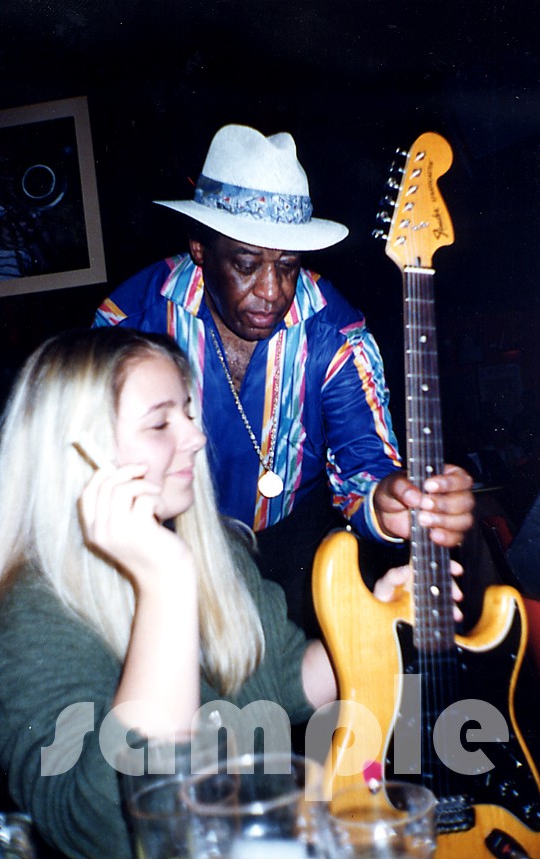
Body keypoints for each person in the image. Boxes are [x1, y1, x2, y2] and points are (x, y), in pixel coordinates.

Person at [0, 327, 465, 859]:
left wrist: (376, 627)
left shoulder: (214, 551)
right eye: (160, 423)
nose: (195, 436)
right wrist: (165, 583)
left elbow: (280, 681)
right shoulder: (26, 615)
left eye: (188, 413)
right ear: (79, 452)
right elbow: (113, 825)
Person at [94, 123, 474, 635]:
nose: (271, 291)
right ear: (200, 248)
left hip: (292, 545)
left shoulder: (335, 332)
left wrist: (388, 502)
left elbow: (365, 467)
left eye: (289, 265)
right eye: (247, 264)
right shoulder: (130, 320)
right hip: (161, 539)